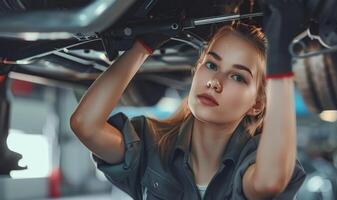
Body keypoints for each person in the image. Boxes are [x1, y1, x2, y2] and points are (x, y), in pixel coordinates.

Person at [70, 3, 307, 199]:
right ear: (196, 70)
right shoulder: (151, 145)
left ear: (257, 104)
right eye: (212, 65)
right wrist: (142, 46)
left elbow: (269, 182)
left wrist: (280, 59)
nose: (215, 81)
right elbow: (85, 125)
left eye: (237, 77)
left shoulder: (254, 161)